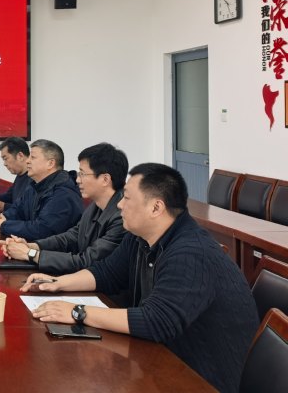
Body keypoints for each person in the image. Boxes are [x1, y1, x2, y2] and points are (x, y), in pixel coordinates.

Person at [21, 163, 259, 393]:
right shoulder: (141, 237)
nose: (120, 205)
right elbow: (108, 273)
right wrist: (58, 283)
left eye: (127, 198)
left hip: (201, 378)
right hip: (162, 363)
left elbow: (156, 321)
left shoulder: (191, 252)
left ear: (156, 208)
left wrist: (77, 312)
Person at [3, 142, 127, 274]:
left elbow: (86, 261)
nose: (78, 180)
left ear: (105, 179)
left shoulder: (122, 218)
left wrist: (30, 254)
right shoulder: (95, 206)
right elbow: (72, 237)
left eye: (83, 174)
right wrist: (32, 246)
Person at [0, 139, 81, 240]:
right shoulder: (35, 185)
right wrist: (1, 218)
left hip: (51, 248)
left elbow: (41, 230)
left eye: (33, 157)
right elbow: (18, 210)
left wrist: (3, 225)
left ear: (50, 163)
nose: (27, 161)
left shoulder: (63, 193)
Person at [0, 137, 31, 213]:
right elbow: (8, 197)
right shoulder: (20, 175)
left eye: (5, 158)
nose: (4, 164)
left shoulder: (35, 179)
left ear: (20, 156)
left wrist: (4, 207)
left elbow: (28, 210)